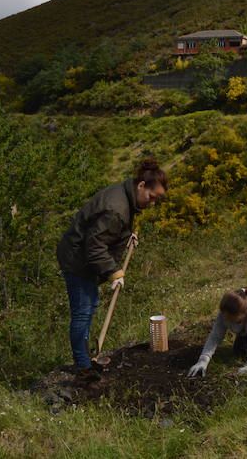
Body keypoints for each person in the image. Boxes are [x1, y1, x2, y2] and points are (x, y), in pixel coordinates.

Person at [57, 159, 167, 384]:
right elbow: (94, 245)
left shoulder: (125, 197)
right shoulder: (117, 208)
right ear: (141, 185)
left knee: (90, 304)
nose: (153, 203)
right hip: (78, 260)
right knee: (82, 311)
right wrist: (114, 272)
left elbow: (110, 231)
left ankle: (87, 357)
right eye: (152, 197)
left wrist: (126, 236)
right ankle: (83, 367)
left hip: (85, 258)